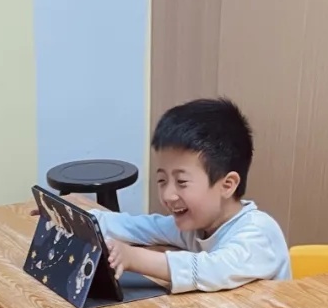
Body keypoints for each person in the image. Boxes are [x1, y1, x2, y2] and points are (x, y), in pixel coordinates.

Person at [95, 98, 290, 293]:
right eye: (162, 180)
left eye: (181, 182)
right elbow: (140, 226)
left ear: (227, 185)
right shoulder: (196, 224)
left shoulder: (259, 234)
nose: (168, 195)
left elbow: (212, 270)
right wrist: (84, 219)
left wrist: (133, 258)